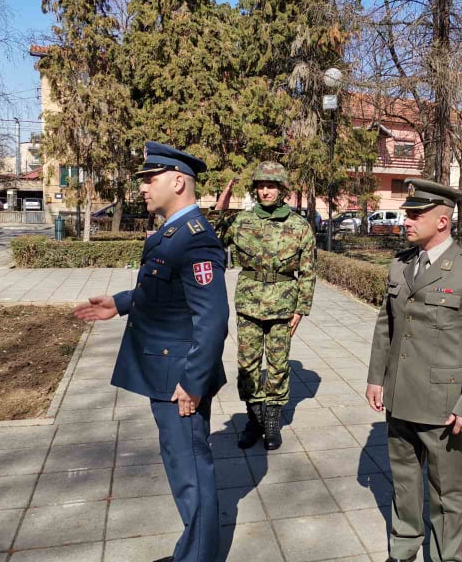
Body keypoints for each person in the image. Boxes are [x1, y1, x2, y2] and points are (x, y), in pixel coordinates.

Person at [74, 142, 228, 562]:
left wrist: (192, 383)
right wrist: (121, 303)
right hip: (168, 371)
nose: (143, 187)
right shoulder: (173, 233)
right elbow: (164, 292)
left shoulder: (195, 240)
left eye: (150, 179)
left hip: (179, 379)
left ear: (178, 181)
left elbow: (213, 319)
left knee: (191, 472)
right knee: (182, 468)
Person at [366, 178, 462, 562]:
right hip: (399, 394)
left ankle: (446, 556)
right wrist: (377, 378)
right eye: (407, 213)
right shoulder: (400, 264)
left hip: (443, 403)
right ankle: (405, 545)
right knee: (404, 480)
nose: (406, 220)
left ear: (442, 221)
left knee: (446, 491)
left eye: (415, 214)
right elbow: (386, 325)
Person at [217, 161, 315, 451]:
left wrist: (301, 308)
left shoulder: (299, 226)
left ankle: (272, 422)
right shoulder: (241, 222)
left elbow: (308, 271)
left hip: (284, 304)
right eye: (261, 185)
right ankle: (254, 418)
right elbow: (213, 239)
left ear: (282, 189)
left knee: (277, 365)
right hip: (248, 303)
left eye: (271, 185)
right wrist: (220, 208)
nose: (265, 190)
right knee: (247, 364)